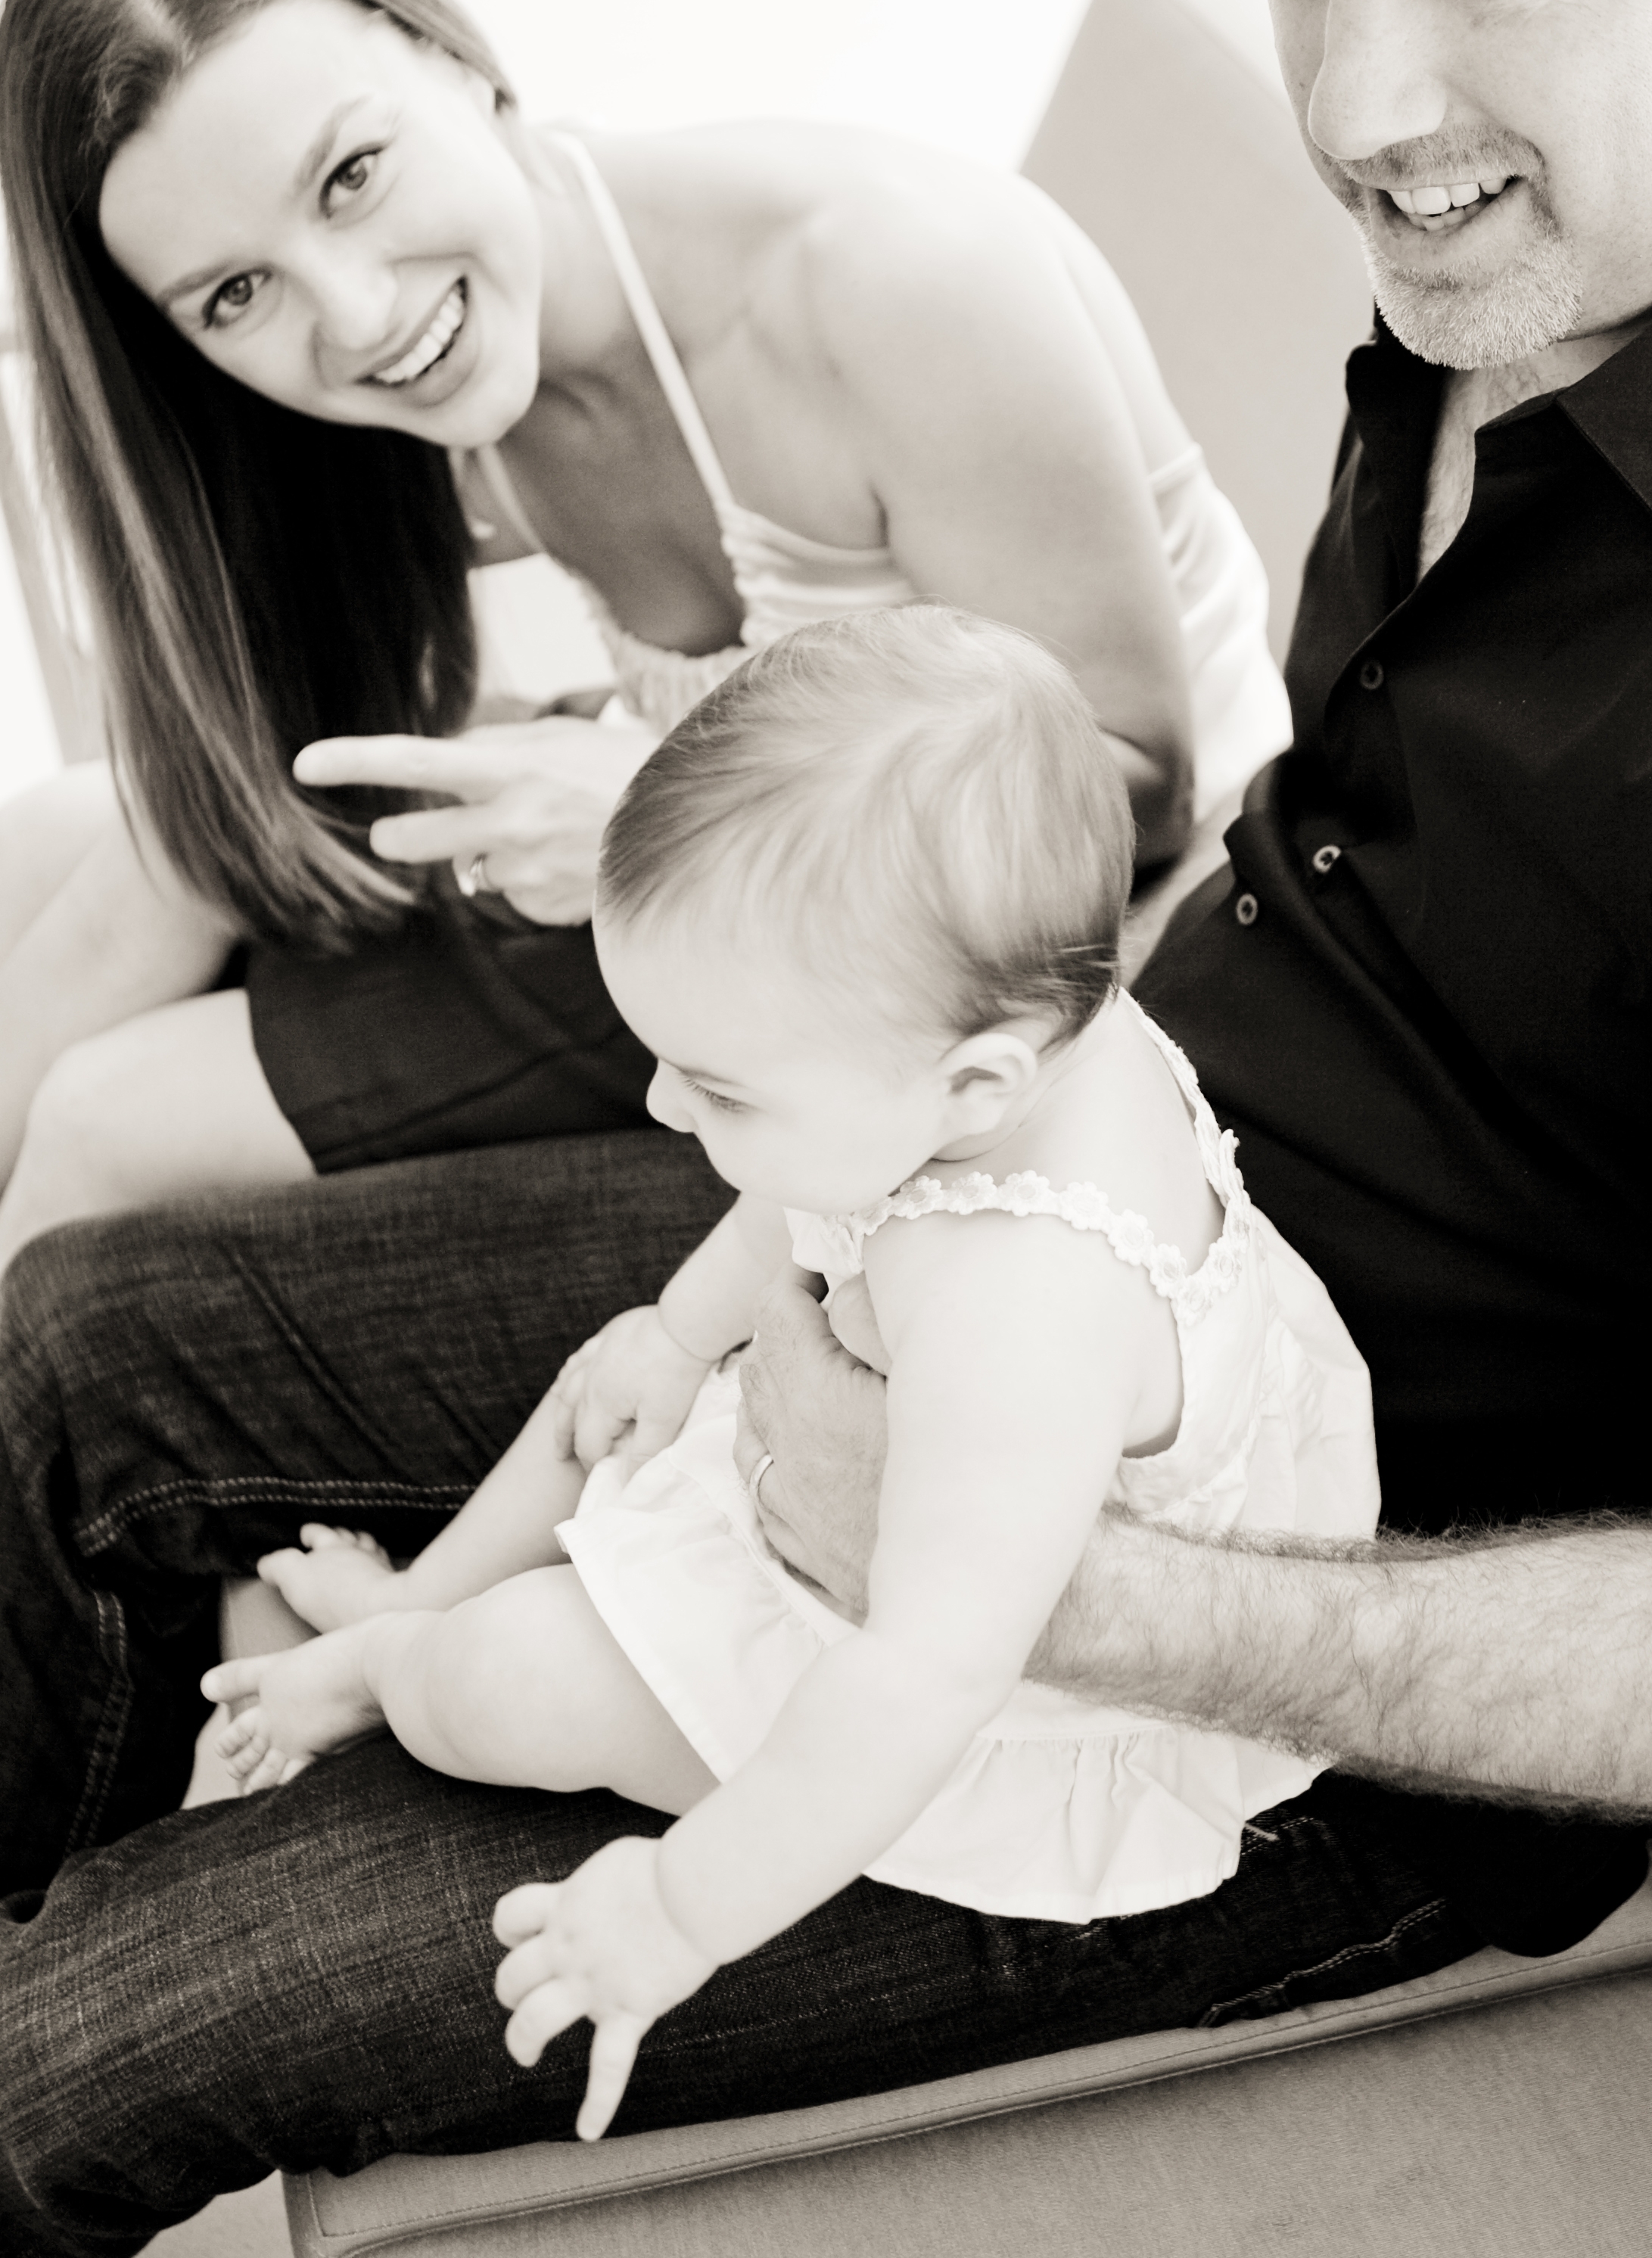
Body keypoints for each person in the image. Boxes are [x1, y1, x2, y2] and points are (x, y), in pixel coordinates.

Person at [4, 0, 1652, 2247]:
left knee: (74, 2043)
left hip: (1259, 1680)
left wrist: (1069, 1590)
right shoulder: (1492, 292)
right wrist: (766, 1292)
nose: (1362, 103)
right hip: (1008, 1155)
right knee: (74, 1338)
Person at [198, 610, 1377, 2140]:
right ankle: (413, 1596)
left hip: (982, 1683)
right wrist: (681, 1333)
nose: (656, 1103)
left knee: (506, 1683)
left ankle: (394, 1669)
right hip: (888, 1444)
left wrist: (679, 1908)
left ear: (976, 1083)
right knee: (613, 1380)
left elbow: (921, 1679)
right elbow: (807, 1199)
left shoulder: (1023, 1312)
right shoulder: (985, 1042)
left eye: (715, 1085)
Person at [0, 0, 1290, 1267]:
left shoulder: (891, 277)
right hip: (740, 887)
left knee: (101, 1124)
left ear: (455, 58)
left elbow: (1132, 794)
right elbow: (222, 803)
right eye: (234, 292)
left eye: (352, 175)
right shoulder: (440, 365)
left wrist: (650, 804)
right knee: (47, 841)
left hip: (1025, 950)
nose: (355, 316)